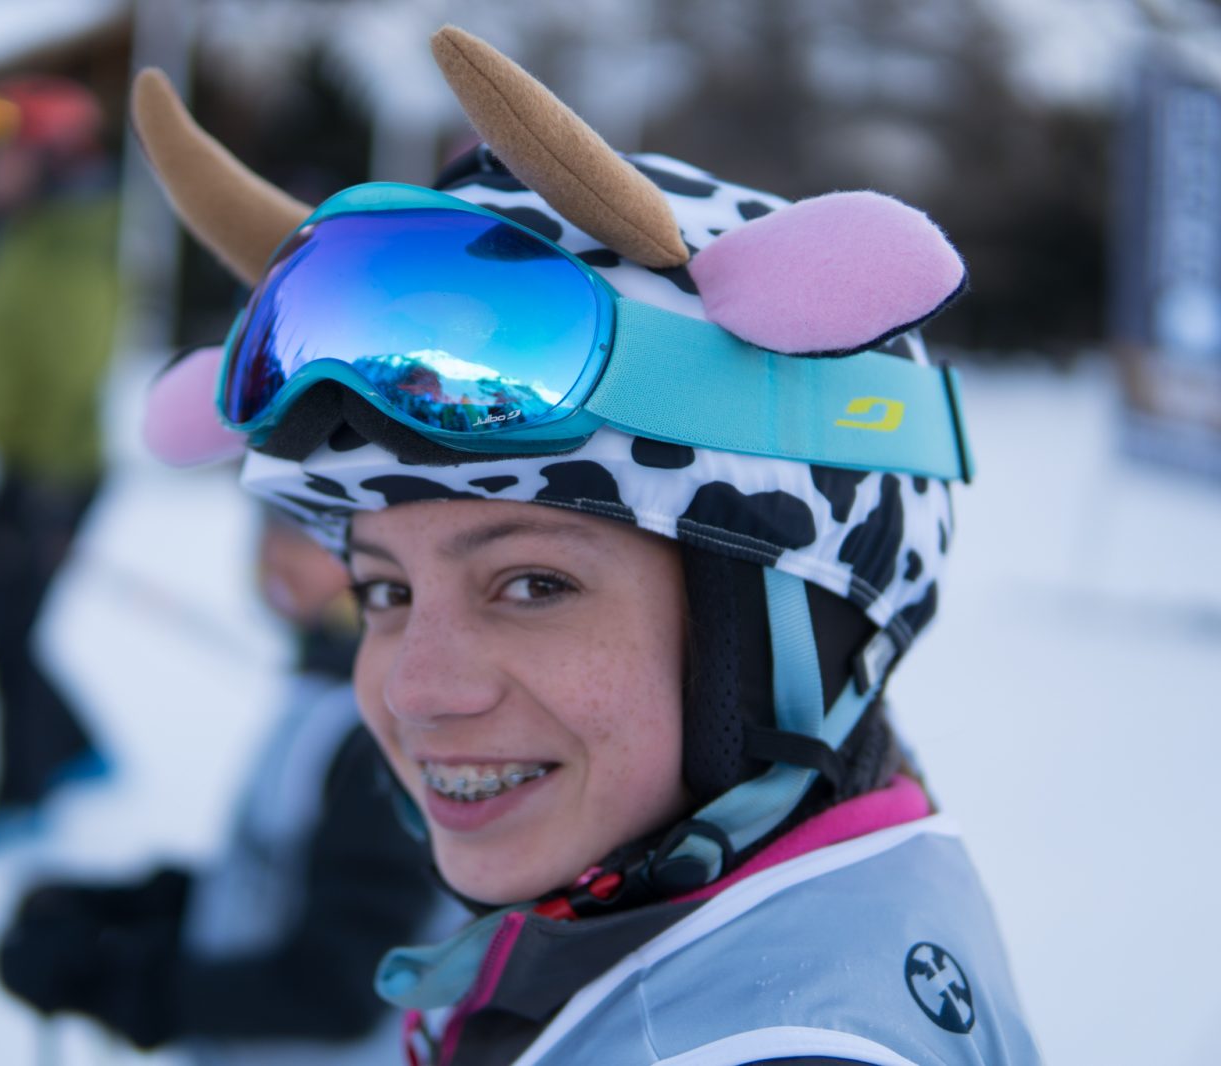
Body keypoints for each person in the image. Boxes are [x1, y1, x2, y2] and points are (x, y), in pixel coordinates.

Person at [125, 25, 1041, 1066]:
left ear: (796, 624)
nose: (415, 688)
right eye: (383, 592)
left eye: (531, 582)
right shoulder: (727, 917)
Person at [0, 498, 463, 1061]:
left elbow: (340, 988)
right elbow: (284, 879)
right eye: (267, 523)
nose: (272, 553)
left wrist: (120, 985)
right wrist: (138, 909)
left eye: (310, 533)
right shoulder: (321, 694)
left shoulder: (381, 736)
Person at [0, 76, 121, 853]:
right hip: (22, 462)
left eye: (1, 156)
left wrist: (44, 493)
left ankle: (20, 795)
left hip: (55, 470)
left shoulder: (72, 243)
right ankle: (75, 746)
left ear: (49, 159)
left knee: (1, 620)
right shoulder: (29, 232)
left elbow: (73, 371)